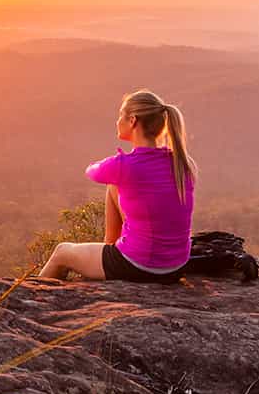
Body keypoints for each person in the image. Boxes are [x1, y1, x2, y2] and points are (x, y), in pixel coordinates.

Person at [38, 90, 196, 283]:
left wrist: (117, 161)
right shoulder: (183, 164)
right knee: (115, 185)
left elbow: (92, 171)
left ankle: (28, 303)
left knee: (62, 252)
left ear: (133, 121)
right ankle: (111, 248)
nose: (117, 121)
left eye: (121, 115)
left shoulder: (124, 166)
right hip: (176, 266)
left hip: (140, 266)